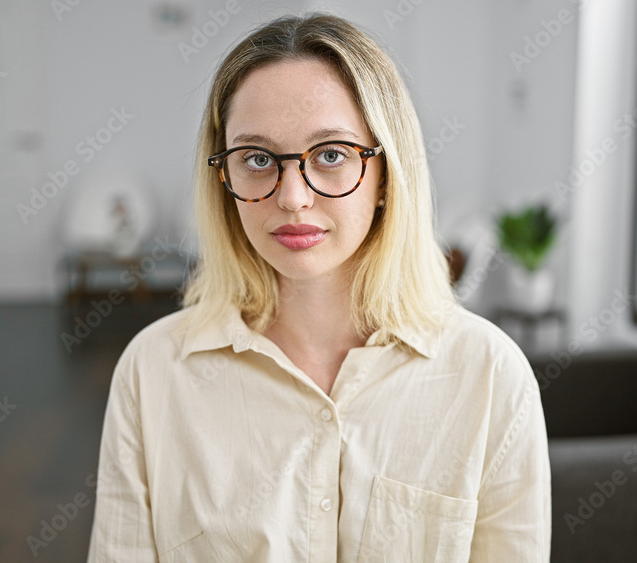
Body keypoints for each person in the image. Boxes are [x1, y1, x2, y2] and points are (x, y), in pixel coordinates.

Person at [87, 13, 550, 562]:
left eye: (331, 154)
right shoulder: (152, 373)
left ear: (386, 175)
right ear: (224, 176)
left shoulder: (490, 375)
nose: (292, 198)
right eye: (257, 159)